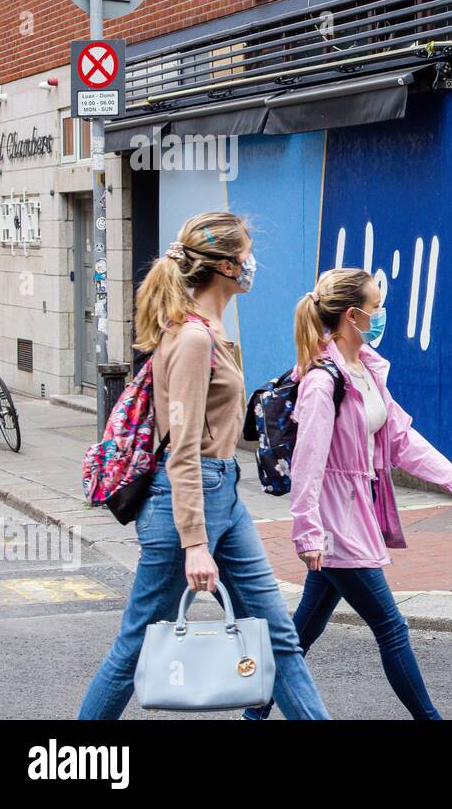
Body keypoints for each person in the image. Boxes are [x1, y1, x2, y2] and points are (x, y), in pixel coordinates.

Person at [78, 212, 329, 720]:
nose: (252, 263)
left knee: (279, 638)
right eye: (247, 254)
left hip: (223, 494)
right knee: (134, 647)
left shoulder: (206, 330)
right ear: (227, 267)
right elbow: (183, 447)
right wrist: (195, 543)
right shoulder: (192, 339)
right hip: (187, 500)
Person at [242, 268, 452, 720]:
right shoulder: (322, 382)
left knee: (302, 631)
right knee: (391, 626)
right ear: (353, 315)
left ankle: (253, 714)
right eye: (376, 307)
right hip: (336, 522)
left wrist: (449, 477)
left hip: (355, 511)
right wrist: (308, 533)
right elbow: (307, 466)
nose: (381, 315)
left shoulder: (365, 370)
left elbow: (399, 436)